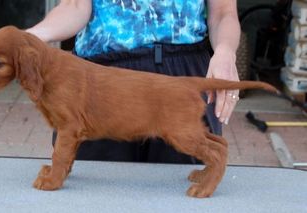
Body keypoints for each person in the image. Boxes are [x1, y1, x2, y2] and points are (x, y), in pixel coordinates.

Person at [26, 0, 241, 164]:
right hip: (100, 82)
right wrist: (28, 38)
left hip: (179, 79)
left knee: (183, 192)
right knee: (93, 194)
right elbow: (74, 6)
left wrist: (225, 51)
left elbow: (223, 13)